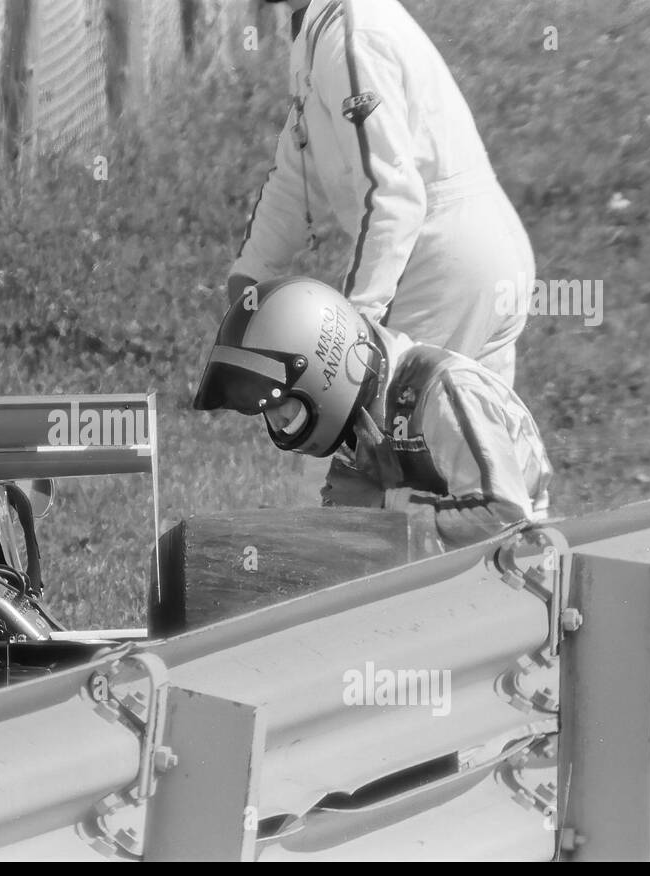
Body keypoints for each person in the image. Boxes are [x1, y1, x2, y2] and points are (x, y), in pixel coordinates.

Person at [232, 0, 536, 503]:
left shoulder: (351, 32)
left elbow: (395, 198)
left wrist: (352, 331)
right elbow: (294, 176)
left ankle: (336, 582)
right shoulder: (324, 29)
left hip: (440, 261)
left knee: (343, 464)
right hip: (477, 255)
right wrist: (249, 272)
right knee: (481, 474)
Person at [193, 277, 552, 552]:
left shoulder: (443, 391)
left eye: (278, 402)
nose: (277, 422)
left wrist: (386, 507)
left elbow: (504, 515)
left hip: (516, 585)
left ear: (324, 371)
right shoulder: (360, 422)